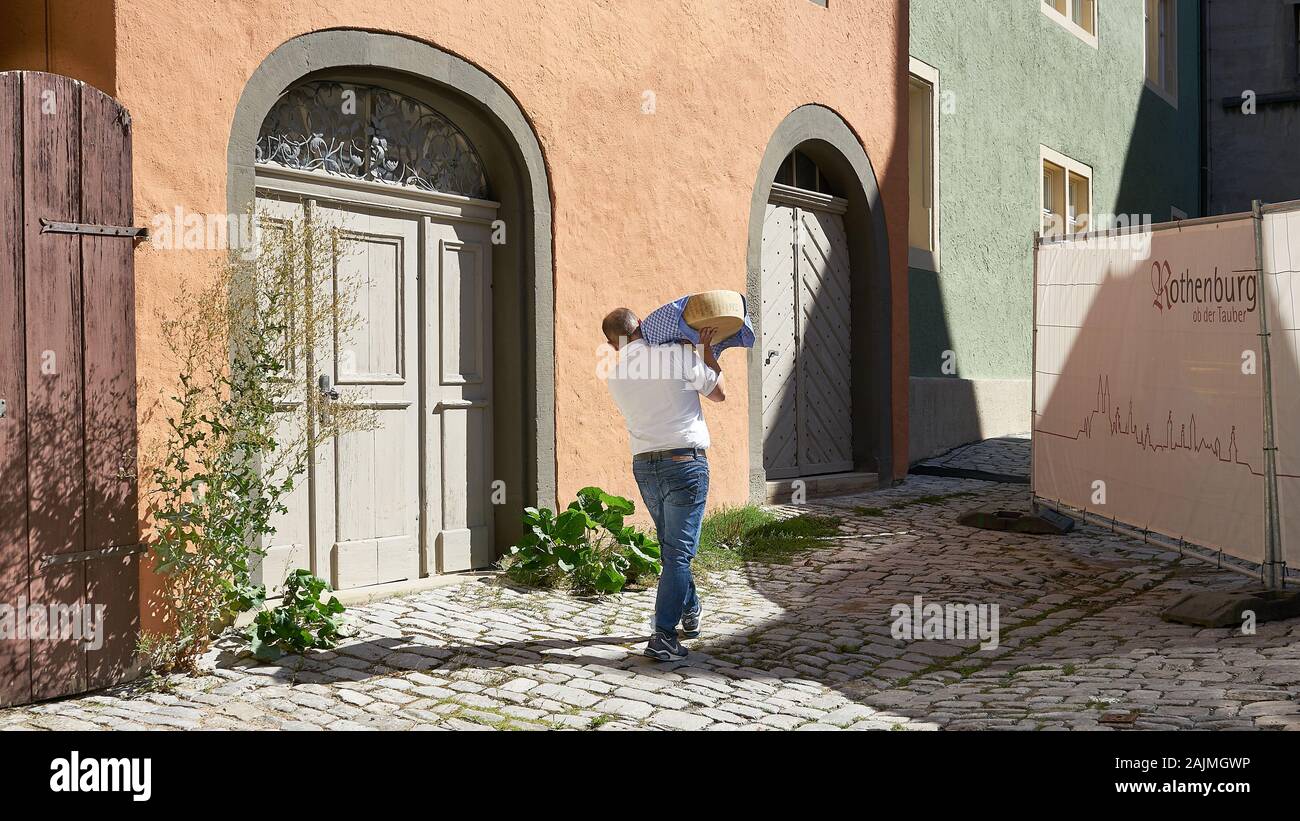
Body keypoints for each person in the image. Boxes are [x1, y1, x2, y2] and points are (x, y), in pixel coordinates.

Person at [601, 307, 727, 661]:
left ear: (611, 345)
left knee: (671, 548)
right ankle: (663, 637)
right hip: (684, 463)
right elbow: (719, 394)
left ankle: (690, 610)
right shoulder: (674, 354)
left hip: (645, 466)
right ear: (641, 324)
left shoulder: (614, 374)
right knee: (678, 554)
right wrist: (706, 353)